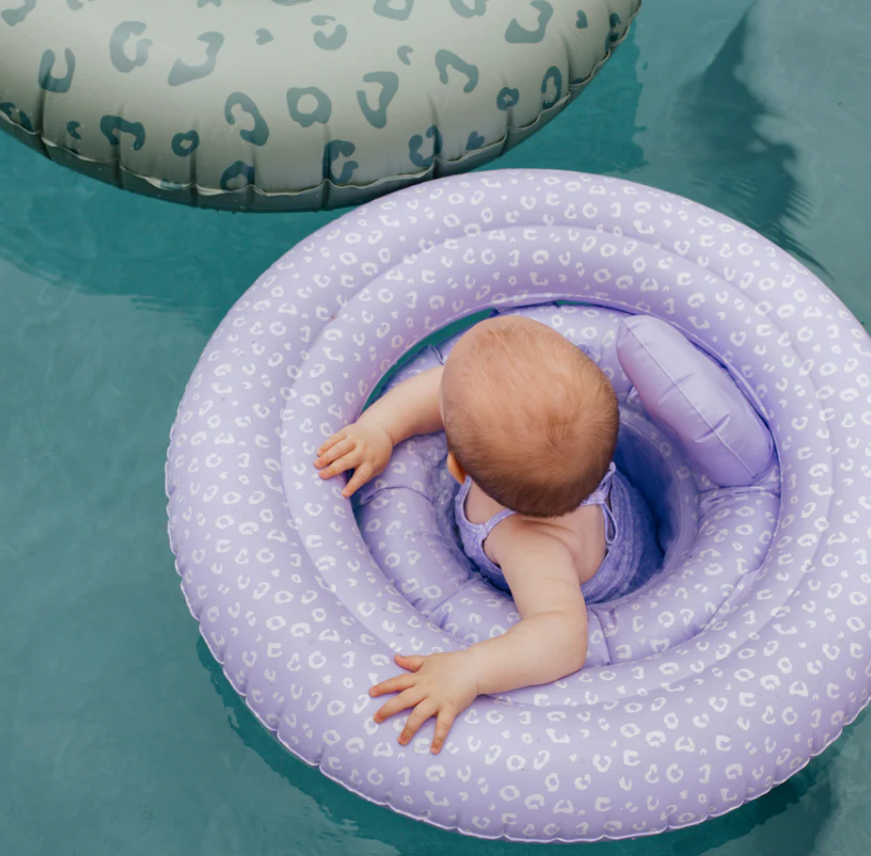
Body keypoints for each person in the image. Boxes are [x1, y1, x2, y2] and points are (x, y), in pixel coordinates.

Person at [313, 315, 659, 753]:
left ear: (454, 467)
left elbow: (563, 636)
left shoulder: (530, 545)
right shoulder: (558, 445)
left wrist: (470, 670)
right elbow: (442, 391)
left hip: (611, 578)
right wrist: (379, 428)